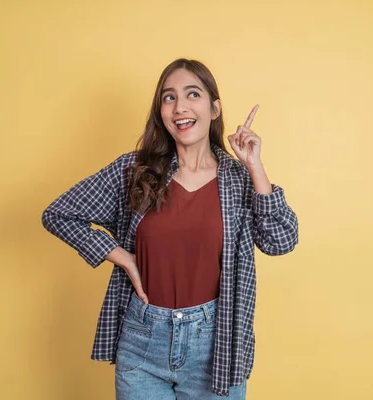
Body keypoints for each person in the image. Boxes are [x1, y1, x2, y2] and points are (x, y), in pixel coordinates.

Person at [41, 58, 299, 399]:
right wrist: (122, 257)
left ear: (215, 108)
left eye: (193, 94)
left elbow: (281, 240)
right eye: (169, 98)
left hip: (215, 343)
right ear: (161, 112)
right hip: (142, 338)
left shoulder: (238, 179)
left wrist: (255, 166)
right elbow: (58, 214)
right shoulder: (134, 171)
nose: (180, 107)